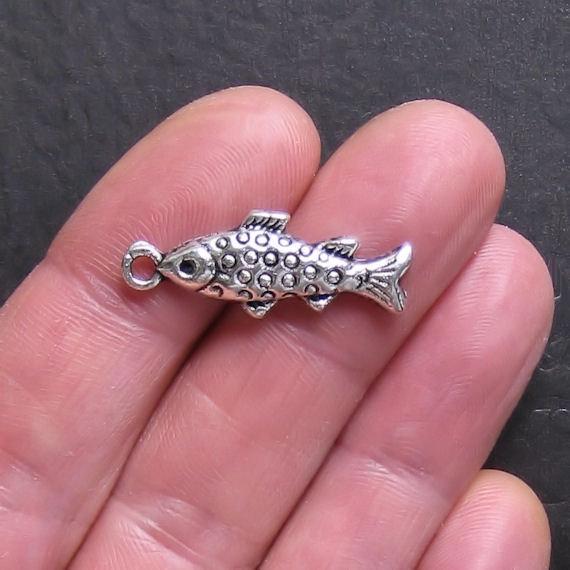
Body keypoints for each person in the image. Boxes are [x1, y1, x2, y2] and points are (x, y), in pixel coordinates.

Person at [0, 86, 553, 569]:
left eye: (187, 268)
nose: (183, 273)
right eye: (185, 269)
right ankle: (371, 278)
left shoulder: (229, 258)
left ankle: (372, 276)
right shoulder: (212, 263)